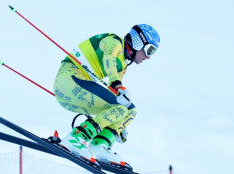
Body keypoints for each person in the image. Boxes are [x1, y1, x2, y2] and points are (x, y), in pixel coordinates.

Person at [53, 24, 160, 165]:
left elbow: (114, 93)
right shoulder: (114, 42)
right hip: (69, 78)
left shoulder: (122, 65)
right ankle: (76, 139)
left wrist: (119, 124)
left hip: (77, 88)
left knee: (129, 109)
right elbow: (108, 59)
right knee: (120, 108)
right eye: (149, 50)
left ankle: (99, 145)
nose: (148, 57)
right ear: (139, 42)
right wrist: (117, 84)